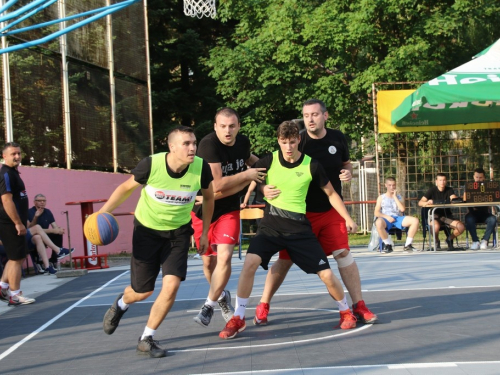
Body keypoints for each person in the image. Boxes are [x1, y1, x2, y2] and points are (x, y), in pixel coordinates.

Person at [219, 121, 358, 339]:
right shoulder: (269, 160)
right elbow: (250, 180)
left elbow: (331, 194)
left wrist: (347, 218)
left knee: (327, 273)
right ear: (278, 141)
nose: (288, 147)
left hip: (299, 229)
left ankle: (346, 312)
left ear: (299, 140)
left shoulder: (312, 165)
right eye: (284, 142)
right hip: (270, 226)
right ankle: (238, 317)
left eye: (292, 142)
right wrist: (263, 188)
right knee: (250, 263)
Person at [254, 99, 377, 326]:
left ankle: (358, 305)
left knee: (343, 254)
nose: (310, 119)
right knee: (285, 261)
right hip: (300, 215)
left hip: (331, 210)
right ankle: (263, 304)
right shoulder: (298, 141)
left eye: (314, 114)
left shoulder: (338, 138)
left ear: (325, 116)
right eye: (306, 115)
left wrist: (347, 173)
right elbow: (267, 169)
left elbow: (346, 164)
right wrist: (262, 188)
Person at [101, 126, 214, 358]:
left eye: (194, 143)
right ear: (172, 147)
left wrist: (204, 234)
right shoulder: (151, 165)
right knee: (142, 292)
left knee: (171, 286)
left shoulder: (201, 167)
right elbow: (124, 188)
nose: (192, 147)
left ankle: (146, 338)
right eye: (186, 143)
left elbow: (210, 197)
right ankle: (121, 303)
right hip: (147, 232)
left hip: (178, 234)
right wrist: (102, 213)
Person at [192, 107, 264, 327]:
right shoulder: (208, 145)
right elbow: (216, 186)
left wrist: (265, 170)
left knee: (224, 257)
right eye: (222, 126)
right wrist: (245, 177)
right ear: (215, 127)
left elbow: (254, 161)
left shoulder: (242, 142)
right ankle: (222, 296)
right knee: (208, 263)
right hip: (204, 209)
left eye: (232, 126)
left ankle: (208, 306)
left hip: (229, 210)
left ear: (238, 126)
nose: (227, 130)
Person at [0, 142, 36, 306]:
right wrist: (17, 223)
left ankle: (3, 286)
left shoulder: (14, 172)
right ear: (4, 156)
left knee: (16, 257)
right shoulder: (6, 174)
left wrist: (23, 220)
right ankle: (15, 295)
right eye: (13, 154)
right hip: (9, 223)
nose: (17, 156)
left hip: (16, 222)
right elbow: (6, 200)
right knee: (16, 259)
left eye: (19, 153)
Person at [418, 173, 465, 250]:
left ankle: (449, 239)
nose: (442, 182)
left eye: (444, 180)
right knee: (435, 226)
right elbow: (420, 202)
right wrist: (427, 202)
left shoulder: (449, 190)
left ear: (446, 181)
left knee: (461, 227)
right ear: (436, 181)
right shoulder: (431, 190)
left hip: (447, 217)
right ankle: (437, 241)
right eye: (440, 180)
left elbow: (453, 198)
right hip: (435, 216)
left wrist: (455, 199)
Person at [374, 177, 420, 253]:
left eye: (393, 185)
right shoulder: (381, 197)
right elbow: (376, 212)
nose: (392, 187)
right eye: (389, 185)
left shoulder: (399, 197)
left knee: (415, 220)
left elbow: (402, 209)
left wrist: (395, 197)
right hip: (386, 218)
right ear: (386, 185)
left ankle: (408, 245)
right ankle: (388, 245)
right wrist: (387, 217)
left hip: (397, 218)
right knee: (378, 222)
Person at [28, 194, 66, 267]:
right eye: (39, 201)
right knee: (38, 235)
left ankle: (54, 260)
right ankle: (39, 261)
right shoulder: (29, 212)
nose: (42, 202)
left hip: (46, 235)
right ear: (34, 202)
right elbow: (32, 229)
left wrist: (59, 230)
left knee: (58, 234)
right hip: (34, 236)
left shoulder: (48, 211)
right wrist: (36, 216)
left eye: (44, 201)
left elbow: (54, 226)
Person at [464, 168, 497, 250]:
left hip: (485, 214)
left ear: (484, 178)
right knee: (468, 218)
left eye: (480, 177)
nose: (478, 179)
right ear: (474, 177)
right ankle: (475, 241)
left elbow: (494, 198)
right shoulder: (469, 187)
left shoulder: (489, 187)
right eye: (477, 177)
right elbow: (464, 199)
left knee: (493, 219)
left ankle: (485, 240)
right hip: (473, 213)